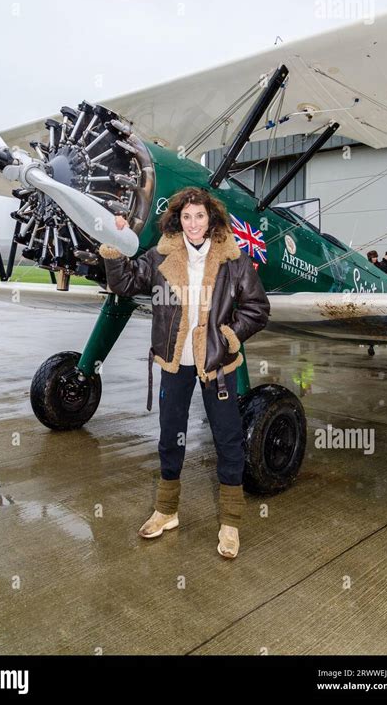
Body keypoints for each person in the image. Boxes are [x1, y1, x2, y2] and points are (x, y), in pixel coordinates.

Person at [98, 187, 270, 559]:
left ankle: (230, 523)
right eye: (187, 217)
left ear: (211, 220)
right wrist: (113, 245)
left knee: (228, 440)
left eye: (200, 217)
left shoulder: (233, 259)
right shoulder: (161, 255)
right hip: (174, 363)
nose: (193, 224)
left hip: (217, 365)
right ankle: (166, 510)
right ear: (179, 219)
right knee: (169, 438)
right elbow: (124, 283)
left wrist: (228, 336)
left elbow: (257, 308)